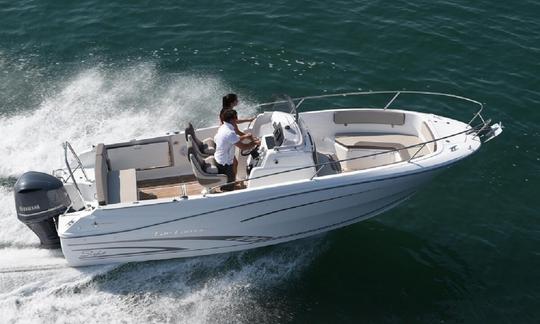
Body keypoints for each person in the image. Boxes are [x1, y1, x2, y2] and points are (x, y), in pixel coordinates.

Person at [214, 109, 260, 191]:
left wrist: (246, 136)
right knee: (227, 188)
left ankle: (232, 183)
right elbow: (243, 147)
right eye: (236, 118)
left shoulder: (223, 127)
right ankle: (228, 191)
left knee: (235, 164)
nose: (237, 120)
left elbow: (233, 139)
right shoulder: (229, 133)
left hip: (220, 157)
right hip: (225, 163)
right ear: (232, 120)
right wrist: (255, 143)